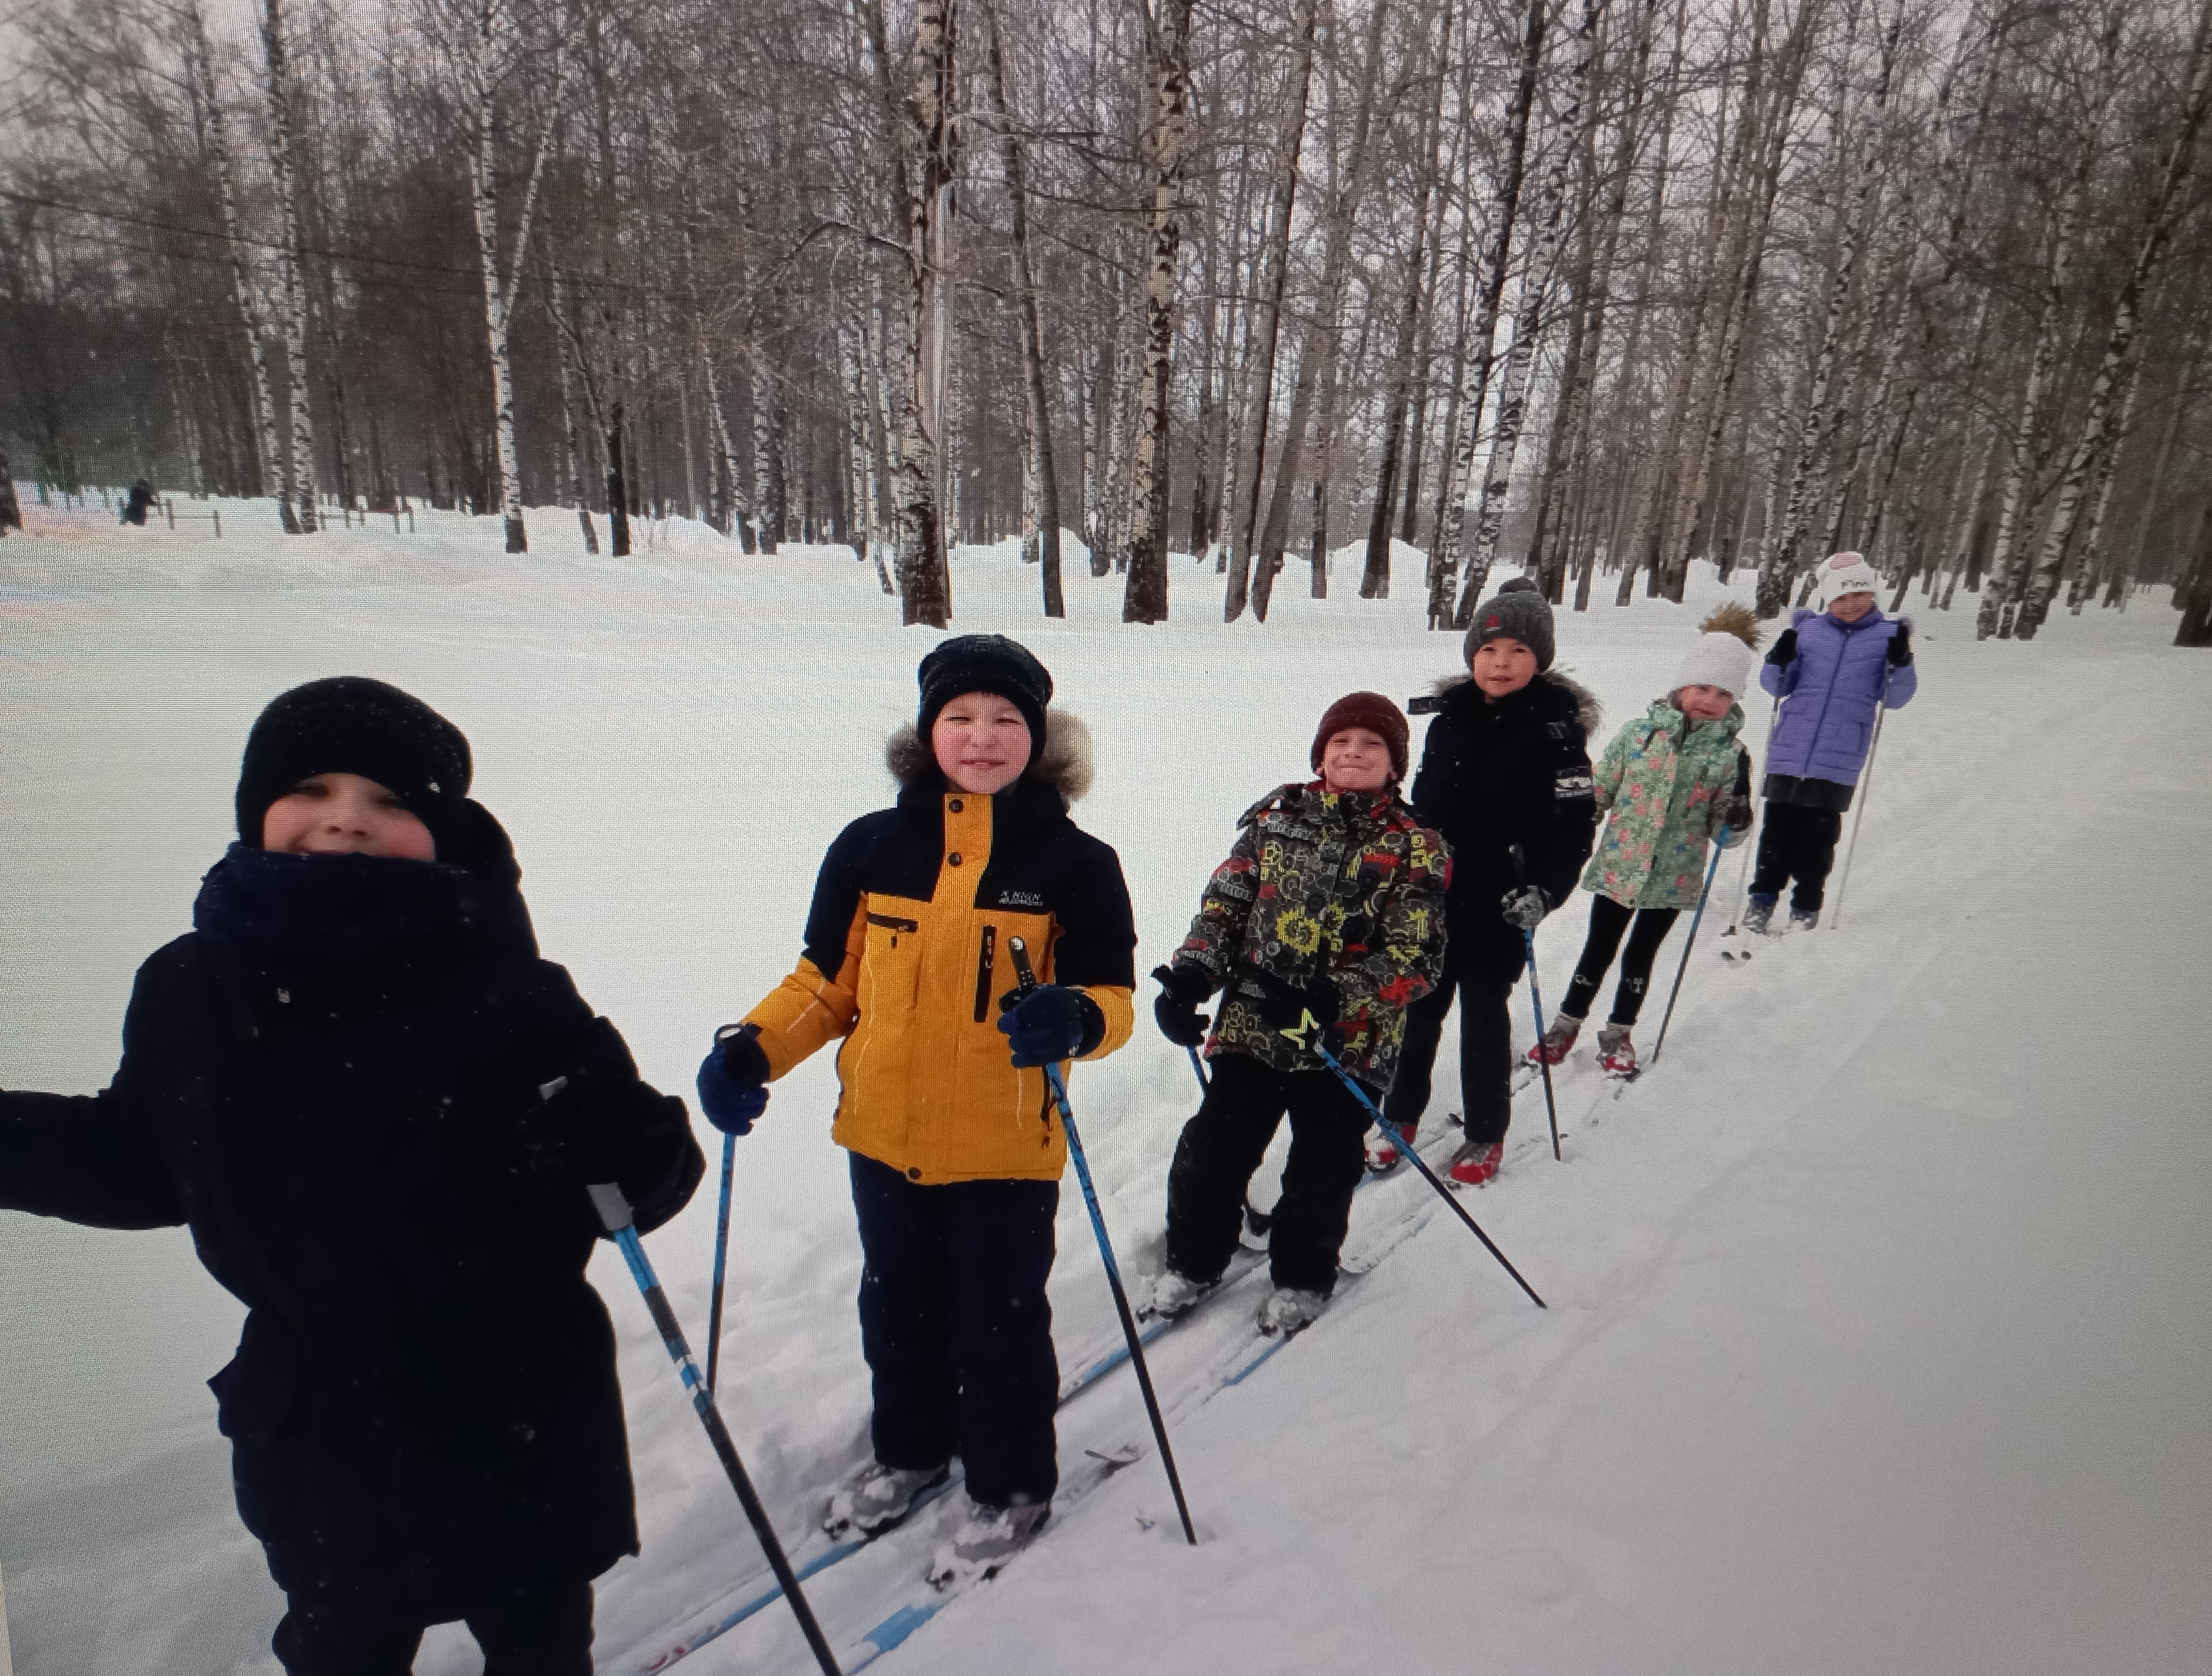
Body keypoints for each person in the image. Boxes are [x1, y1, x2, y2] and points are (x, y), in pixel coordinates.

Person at [0, 677, 702, 1676]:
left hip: (523, 1414)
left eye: (392, 801)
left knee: (540, 1640)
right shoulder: (190, 987)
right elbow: (146, 1163)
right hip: (325, 1429)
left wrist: (628, 1145)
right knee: (343, 1647)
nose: (347, 821)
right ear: (257, 812)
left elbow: (642, 1186)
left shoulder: (508, 990)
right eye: (313, 790)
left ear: (441, 830)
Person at [694, 634, 1136, 1581]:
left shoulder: (1075, 863)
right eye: (960, 719)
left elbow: (1114, 1002)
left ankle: (1012, 1485)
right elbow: (824, 985)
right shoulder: (869, 847)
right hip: (882, 1138)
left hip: (1007, 1144)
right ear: (927, 732)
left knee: (998, 1321)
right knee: (896, 1312)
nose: (981, 740)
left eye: (1004, 721)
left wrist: (1073, 1018)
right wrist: (755, 1047)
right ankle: (911, 1453)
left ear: (1038, 736)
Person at [1149, 692, 1449, 1336]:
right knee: (1214, 1149)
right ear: (1320, 754)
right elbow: (1225, 908)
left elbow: (1418, 958)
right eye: (1340, 743)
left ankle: (1304, 1276)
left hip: (1350, 1039)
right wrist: (1191, 977)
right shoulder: (1274, 819)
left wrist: (1335, 996)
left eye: (1372, 745)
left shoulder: (1417, 845)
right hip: (1255, 1025)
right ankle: (1194, 1260)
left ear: (1395, 764)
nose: (1353, 753)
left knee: (1323, 1164)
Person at [1383, 577, 1600, 1186]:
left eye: (1517, 653)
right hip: (1433, 899)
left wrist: (1545, 890)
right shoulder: (1446, 722)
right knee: (1418, 1011)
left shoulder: (1559, 734)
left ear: (1541, 660)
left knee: (1483, 1015)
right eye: (1488, 651)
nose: (1500, 664)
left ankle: (1486, 1131)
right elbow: (1422, 809)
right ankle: (1398, 1116)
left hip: (1503, 903)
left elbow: (1574, 824)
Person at [1532, 606, 1759, 1079]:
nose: (1709, 700)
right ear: (1681, 687)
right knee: (1598, 946)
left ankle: (1619, 1032)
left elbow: (1726, 835)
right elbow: (1600, 791)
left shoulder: (1731, 755)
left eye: (1723, 693)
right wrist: (1562, 823)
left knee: (1641, 954)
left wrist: (1736, 819)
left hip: (1675, 875)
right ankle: (1566, 1024)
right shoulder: (1639, 736)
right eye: (1701, 688)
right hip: (1621, 866)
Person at [1746, 551, 1917, 931]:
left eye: (1860, 594)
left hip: (1839, 756)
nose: (1851, 604)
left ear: (1873, 592)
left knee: (1818, 840)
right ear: (1827, 598)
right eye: (1841, 597)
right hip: (1791, 750)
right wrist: (1778, 660)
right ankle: (1761, 900)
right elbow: (1776, 687)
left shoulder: (1889, 635)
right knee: (1776, 833)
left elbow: (1897, 698)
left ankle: (1806, 906)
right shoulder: (1808, 632)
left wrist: (1901, 662)